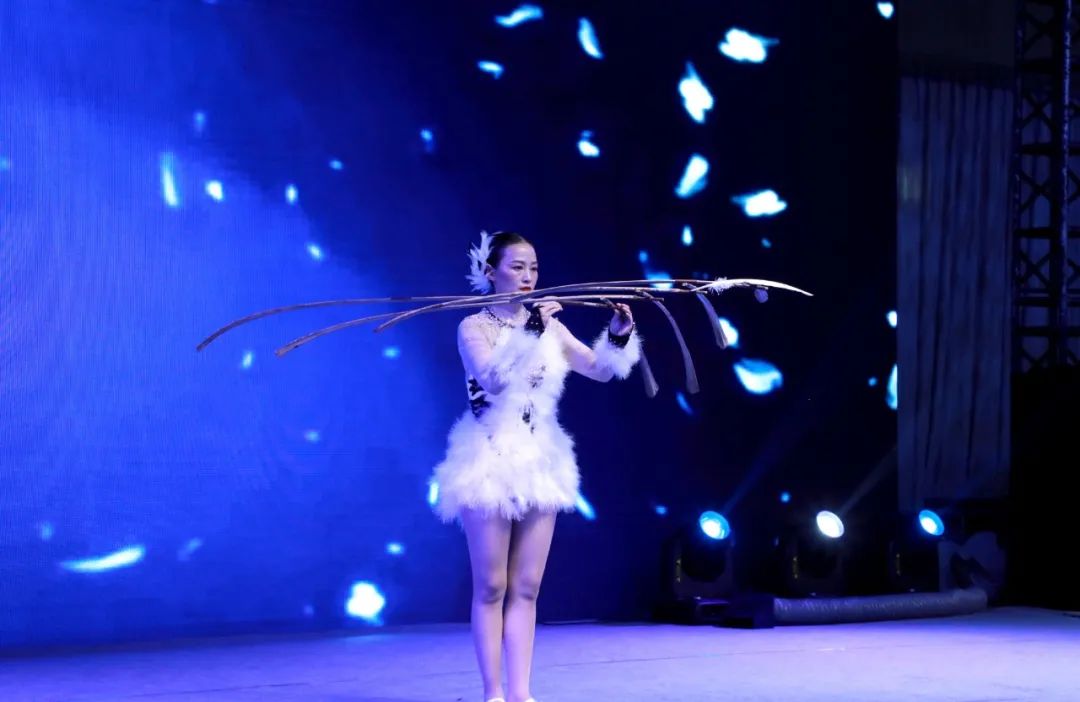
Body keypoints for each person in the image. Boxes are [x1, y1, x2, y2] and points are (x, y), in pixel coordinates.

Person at [431, 231, 642, 702]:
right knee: (492, 585)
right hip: (488, 459)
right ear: (491, 272)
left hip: (540, 460)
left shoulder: (551, 327)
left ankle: (522, 693)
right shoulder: (473, 327)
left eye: (534, 268)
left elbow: (600, 369)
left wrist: (618, 333)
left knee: (526, 587)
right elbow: (493, 379)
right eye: (517, 267)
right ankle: (493, 692)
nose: (528, 276)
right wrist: (529, 331)